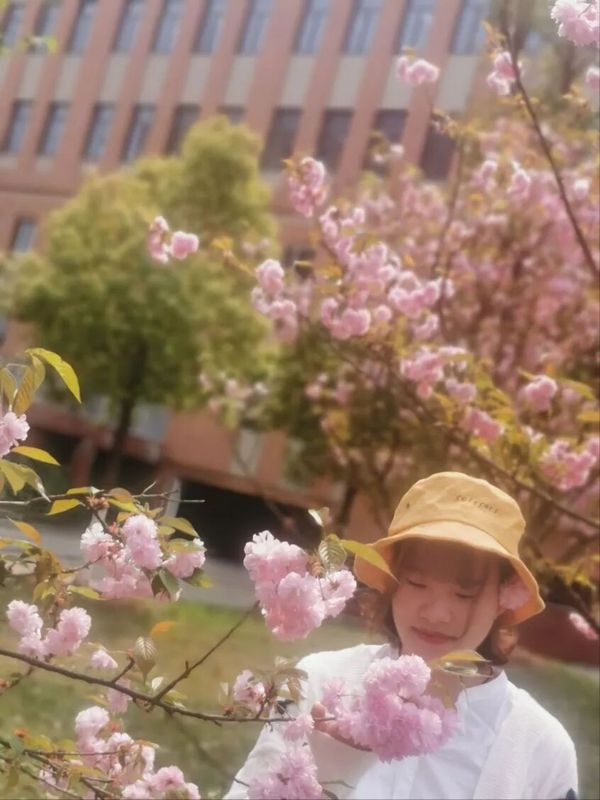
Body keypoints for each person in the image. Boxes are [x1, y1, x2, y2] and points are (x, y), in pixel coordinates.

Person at [225, 472, 579, 800]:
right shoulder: (319, 683)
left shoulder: (541, 749)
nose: (437, 613)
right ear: (391, 580)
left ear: (506, 596)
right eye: (417, 583)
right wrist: (328, 775)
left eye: (465, 593)